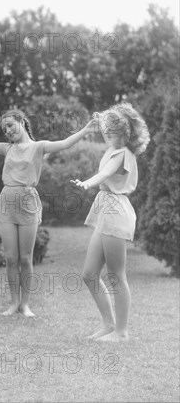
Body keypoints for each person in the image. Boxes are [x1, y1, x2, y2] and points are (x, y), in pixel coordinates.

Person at [0, 101, 97, 317]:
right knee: (10, 258)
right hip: (6, 201)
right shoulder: (7, 148)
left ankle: (25, 304)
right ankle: (14, 302)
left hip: (27, 202)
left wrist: (86, 129)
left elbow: (64, 143)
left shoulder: (38, 147)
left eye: (10, 125)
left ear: (22, 122)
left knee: (25, 258)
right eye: (4, 129)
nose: (7, 131)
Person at [71, 103, 150, 342]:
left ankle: (121, 331)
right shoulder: (112, 148)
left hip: (116, 211)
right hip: (106, 208)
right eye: (107, 129)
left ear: (126, 133)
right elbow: (104, 132)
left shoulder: (123, 153)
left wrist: (86, 183)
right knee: (89, 274)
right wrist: (100, 120)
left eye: (113, 129)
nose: (107, 133)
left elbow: (104, 175)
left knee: (117, 275)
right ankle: (109, 325)